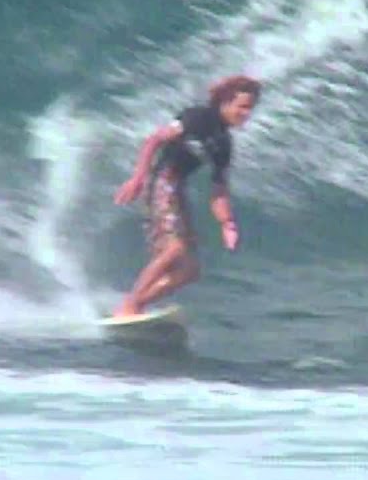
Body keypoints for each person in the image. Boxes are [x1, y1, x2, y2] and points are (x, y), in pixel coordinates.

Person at [110, 75, 262, 317]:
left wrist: (227, 223)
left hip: (177, 189)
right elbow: (155, 140)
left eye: (250, 109)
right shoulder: (198, 117)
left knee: (190, 270)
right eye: (242, 106)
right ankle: (130, 303)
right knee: (175, 250)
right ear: (225, 102)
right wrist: (138, 177)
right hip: (160, 182)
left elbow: (219, 190)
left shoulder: (224, 144)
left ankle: (138, 303)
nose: (246, 114)